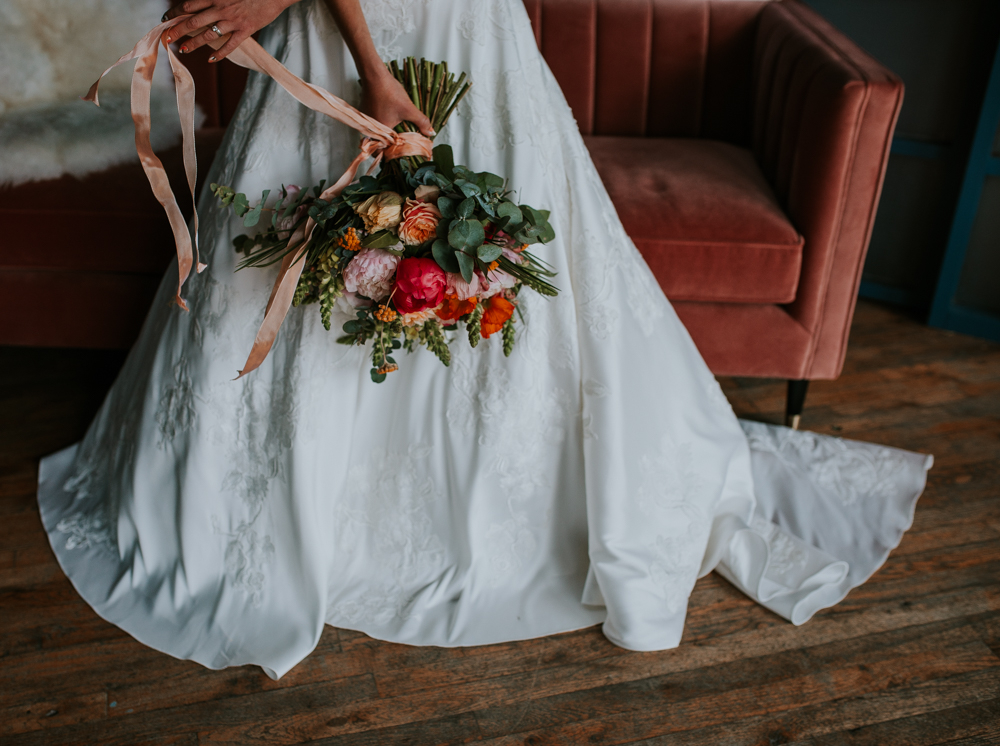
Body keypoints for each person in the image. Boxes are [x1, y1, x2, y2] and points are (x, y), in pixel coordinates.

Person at [37, 0, 932, 680]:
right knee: (300, 247)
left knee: (471, 247)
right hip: (367, 29)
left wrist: (359, 59)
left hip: (423, 33)